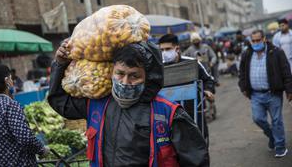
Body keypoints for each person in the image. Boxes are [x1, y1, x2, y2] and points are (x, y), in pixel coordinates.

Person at [48, 40, 209, 166]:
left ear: (148, 77)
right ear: (112, 72)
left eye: (134, 76)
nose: (125, 82)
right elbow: (60, 101)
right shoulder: (96, 104)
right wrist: (59, 64)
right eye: (120, 74)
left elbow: (196, 160)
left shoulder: (169, 113)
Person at [0, 64, 49, 166]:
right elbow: (25, 137)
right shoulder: (10, 106)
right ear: (7, 81)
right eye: (11, 79)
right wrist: (41, 150)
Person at [238, 29, 292, 158]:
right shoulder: (247, 54)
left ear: (264, 39)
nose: (255, 43)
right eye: (253, 41)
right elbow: (242, 73)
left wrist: (289, 90)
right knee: (258, 118)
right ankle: (272, 136)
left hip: (273, 93)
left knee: (276, 120)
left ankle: (280, 146)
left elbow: (286, 71)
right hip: (256, 94)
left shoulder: (276, 52)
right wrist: (243, 87)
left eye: (258, 40)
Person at [158, 34, 215, 145]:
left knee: (200, 145)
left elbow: (209, 79)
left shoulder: (191, 63)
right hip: (170, 117)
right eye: (162, 50)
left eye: (168, 49)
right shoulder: (158, 68)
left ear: (177, 48)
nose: (164, 52)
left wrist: (208, 90)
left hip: (194, 113)